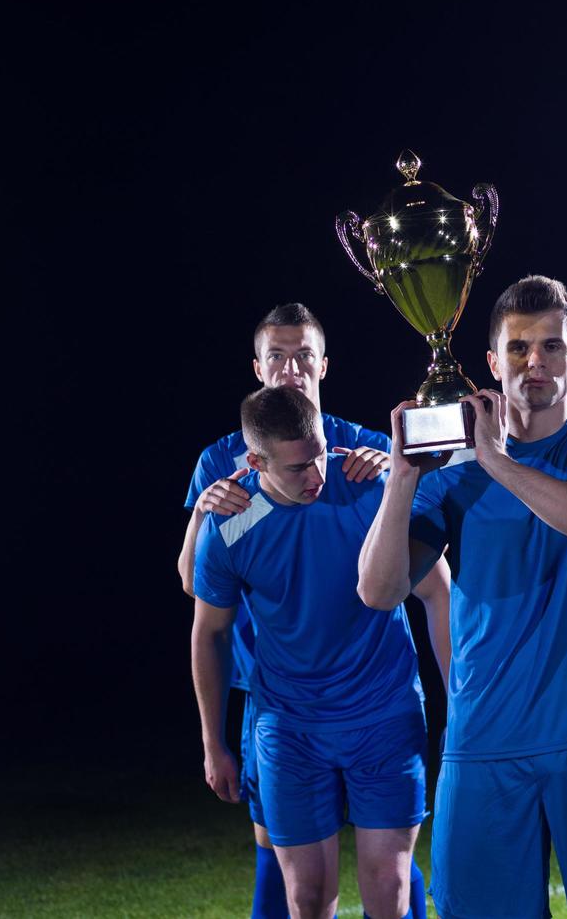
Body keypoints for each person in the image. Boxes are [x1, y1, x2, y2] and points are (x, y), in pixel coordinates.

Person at [358, 276, 567, 919]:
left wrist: (496, 460)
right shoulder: (451, 470)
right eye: (520, 349)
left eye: (552, 348)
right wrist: (400, 478)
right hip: (485, 737)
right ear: (492, 363)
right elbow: (378, 589)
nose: (536, 363)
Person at [179, 302, 445, 918]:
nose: (292, 368)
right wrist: (212, 739)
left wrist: (397, 481)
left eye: (304, 355)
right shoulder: (228, 492)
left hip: (379, 703)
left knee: (392, 882)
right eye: (278, 356)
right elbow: (199, 598)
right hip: (278, 702)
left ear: (325, 364)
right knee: (292, 880)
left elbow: (436, 582)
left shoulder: (368, 461)